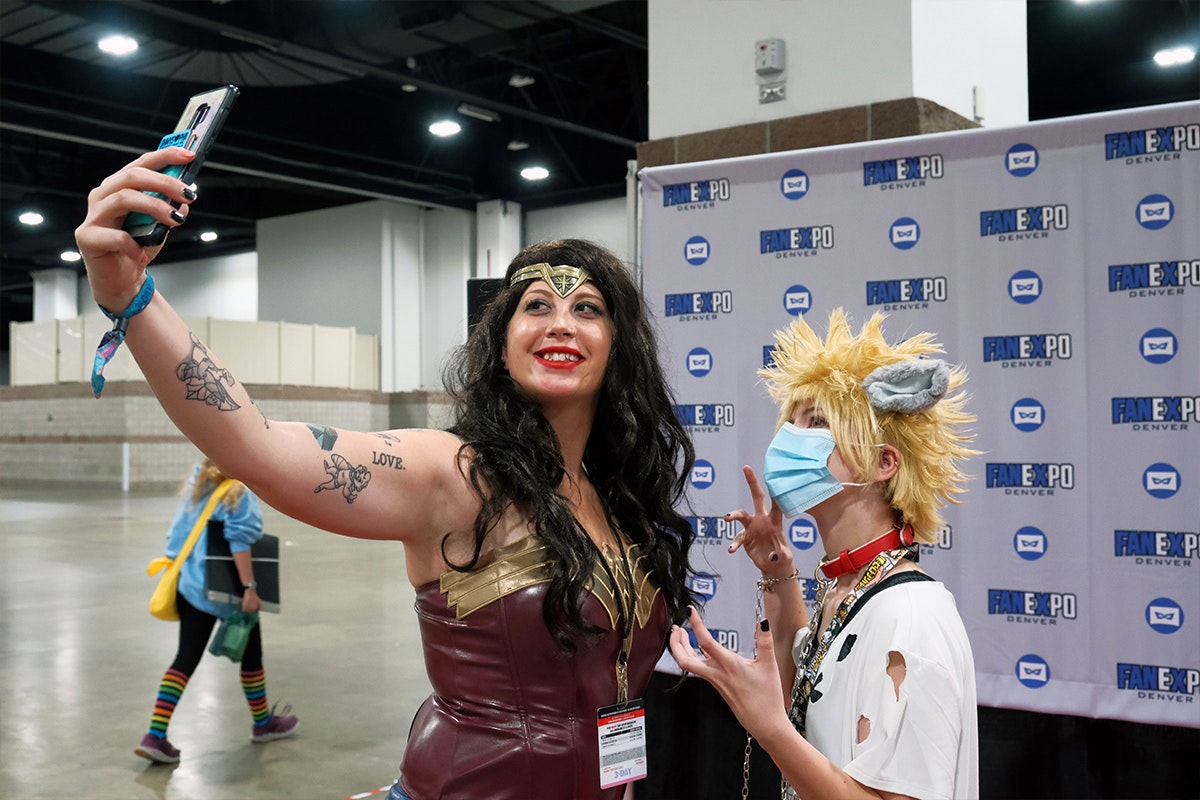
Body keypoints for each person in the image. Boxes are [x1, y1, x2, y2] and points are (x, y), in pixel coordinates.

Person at [76, 145, 696, 799]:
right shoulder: (453, 477)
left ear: (618, 345)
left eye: (588, 308)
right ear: (503, 343)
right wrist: (134, 299)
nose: (560, 323)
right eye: (536, 305)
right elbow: (255, 445)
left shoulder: (618, 503)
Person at [669, 309, 979, 800]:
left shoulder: (912, 616)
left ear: (884, 461)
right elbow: (802, 697)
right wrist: (778, 571)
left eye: (817, 423)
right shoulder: (850, 589)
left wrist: (769, 728)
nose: (792, 439)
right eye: (792, 422)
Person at [135, 457, 298, 764]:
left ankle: (155, 734)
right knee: (251, 658)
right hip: (227, 592)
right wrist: (249, 589)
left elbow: (175, 536)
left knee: (184, 659)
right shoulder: (238, 492)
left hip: (189, 584)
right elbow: (239, 544)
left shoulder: (200, 481)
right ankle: (263, 724)